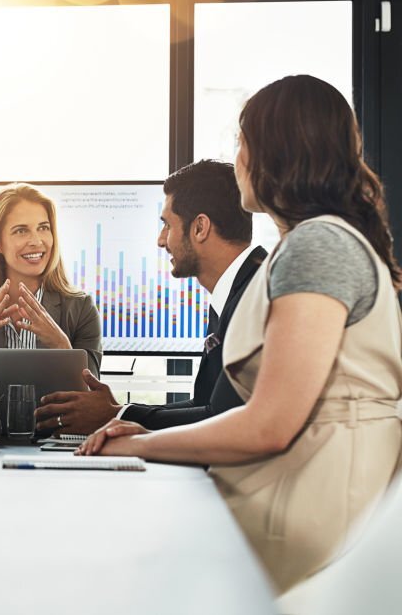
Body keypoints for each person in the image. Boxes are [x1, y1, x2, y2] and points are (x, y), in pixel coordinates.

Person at [80, 74, 402, 593]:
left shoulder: (315, 247)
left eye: (240, 142)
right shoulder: (317, 241)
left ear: (272, 152)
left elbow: (269, 423)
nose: (236, 161)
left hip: (316, 509)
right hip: (326, 496)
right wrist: (153, 435)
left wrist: (140, 448)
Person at [33, 161, 267, 434]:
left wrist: (115, 415)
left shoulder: (254, 296)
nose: (161, 240)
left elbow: (220, 419)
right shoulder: (239, 289)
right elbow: (206, 404)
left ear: (200, 228)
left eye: (167, 225)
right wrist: (119, 411)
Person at [0, 183, 102, 376]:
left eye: (43, 228)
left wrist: (61, 346)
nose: (37, 241)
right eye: (21, 230)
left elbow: (91, 399)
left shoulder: (81, 309)